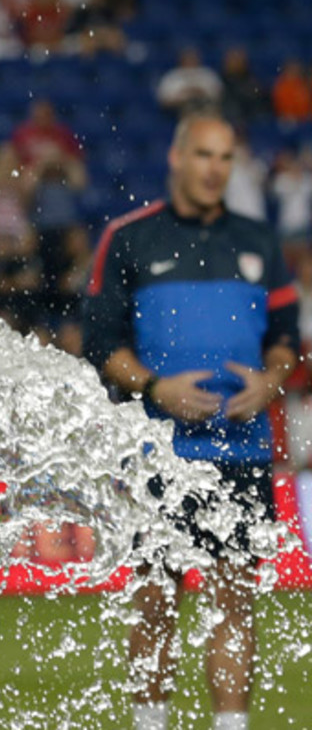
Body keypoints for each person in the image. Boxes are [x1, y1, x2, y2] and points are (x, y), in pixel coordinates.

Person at [82, 109, 300, 730]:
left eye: (226, 158)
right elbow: (101, 344)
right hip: (159, 455)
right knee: (154, 601)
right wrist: (156, 387)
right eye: (204, 154)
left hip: (243, 453)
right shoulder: (129, 238)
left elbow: (286, 339)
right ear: (177, 158)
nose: (215, 169)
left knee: (235, 603)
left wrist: (270, 381)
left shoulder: (259, 240)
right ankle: (151, 723)